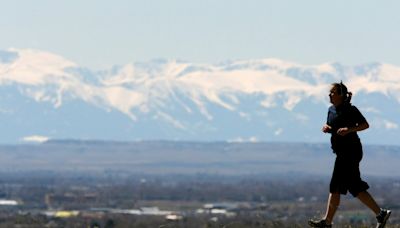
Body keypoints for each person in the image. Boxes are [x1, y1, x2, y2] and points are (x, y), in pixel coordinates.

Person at [308, 82, 391, 228]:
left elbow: (365, 125)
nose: (329, 95)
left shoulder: (350, 109)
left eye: (332, 92)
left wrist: (349, 129)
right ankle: (381, 214)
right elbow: (331, 125)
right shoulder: (330, 110)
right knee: (354, 186)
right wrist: (327, 127)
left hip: (351, 152)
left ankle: (327, 222)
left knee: (336, 186)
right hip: (340, 152)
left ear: (341, 95)